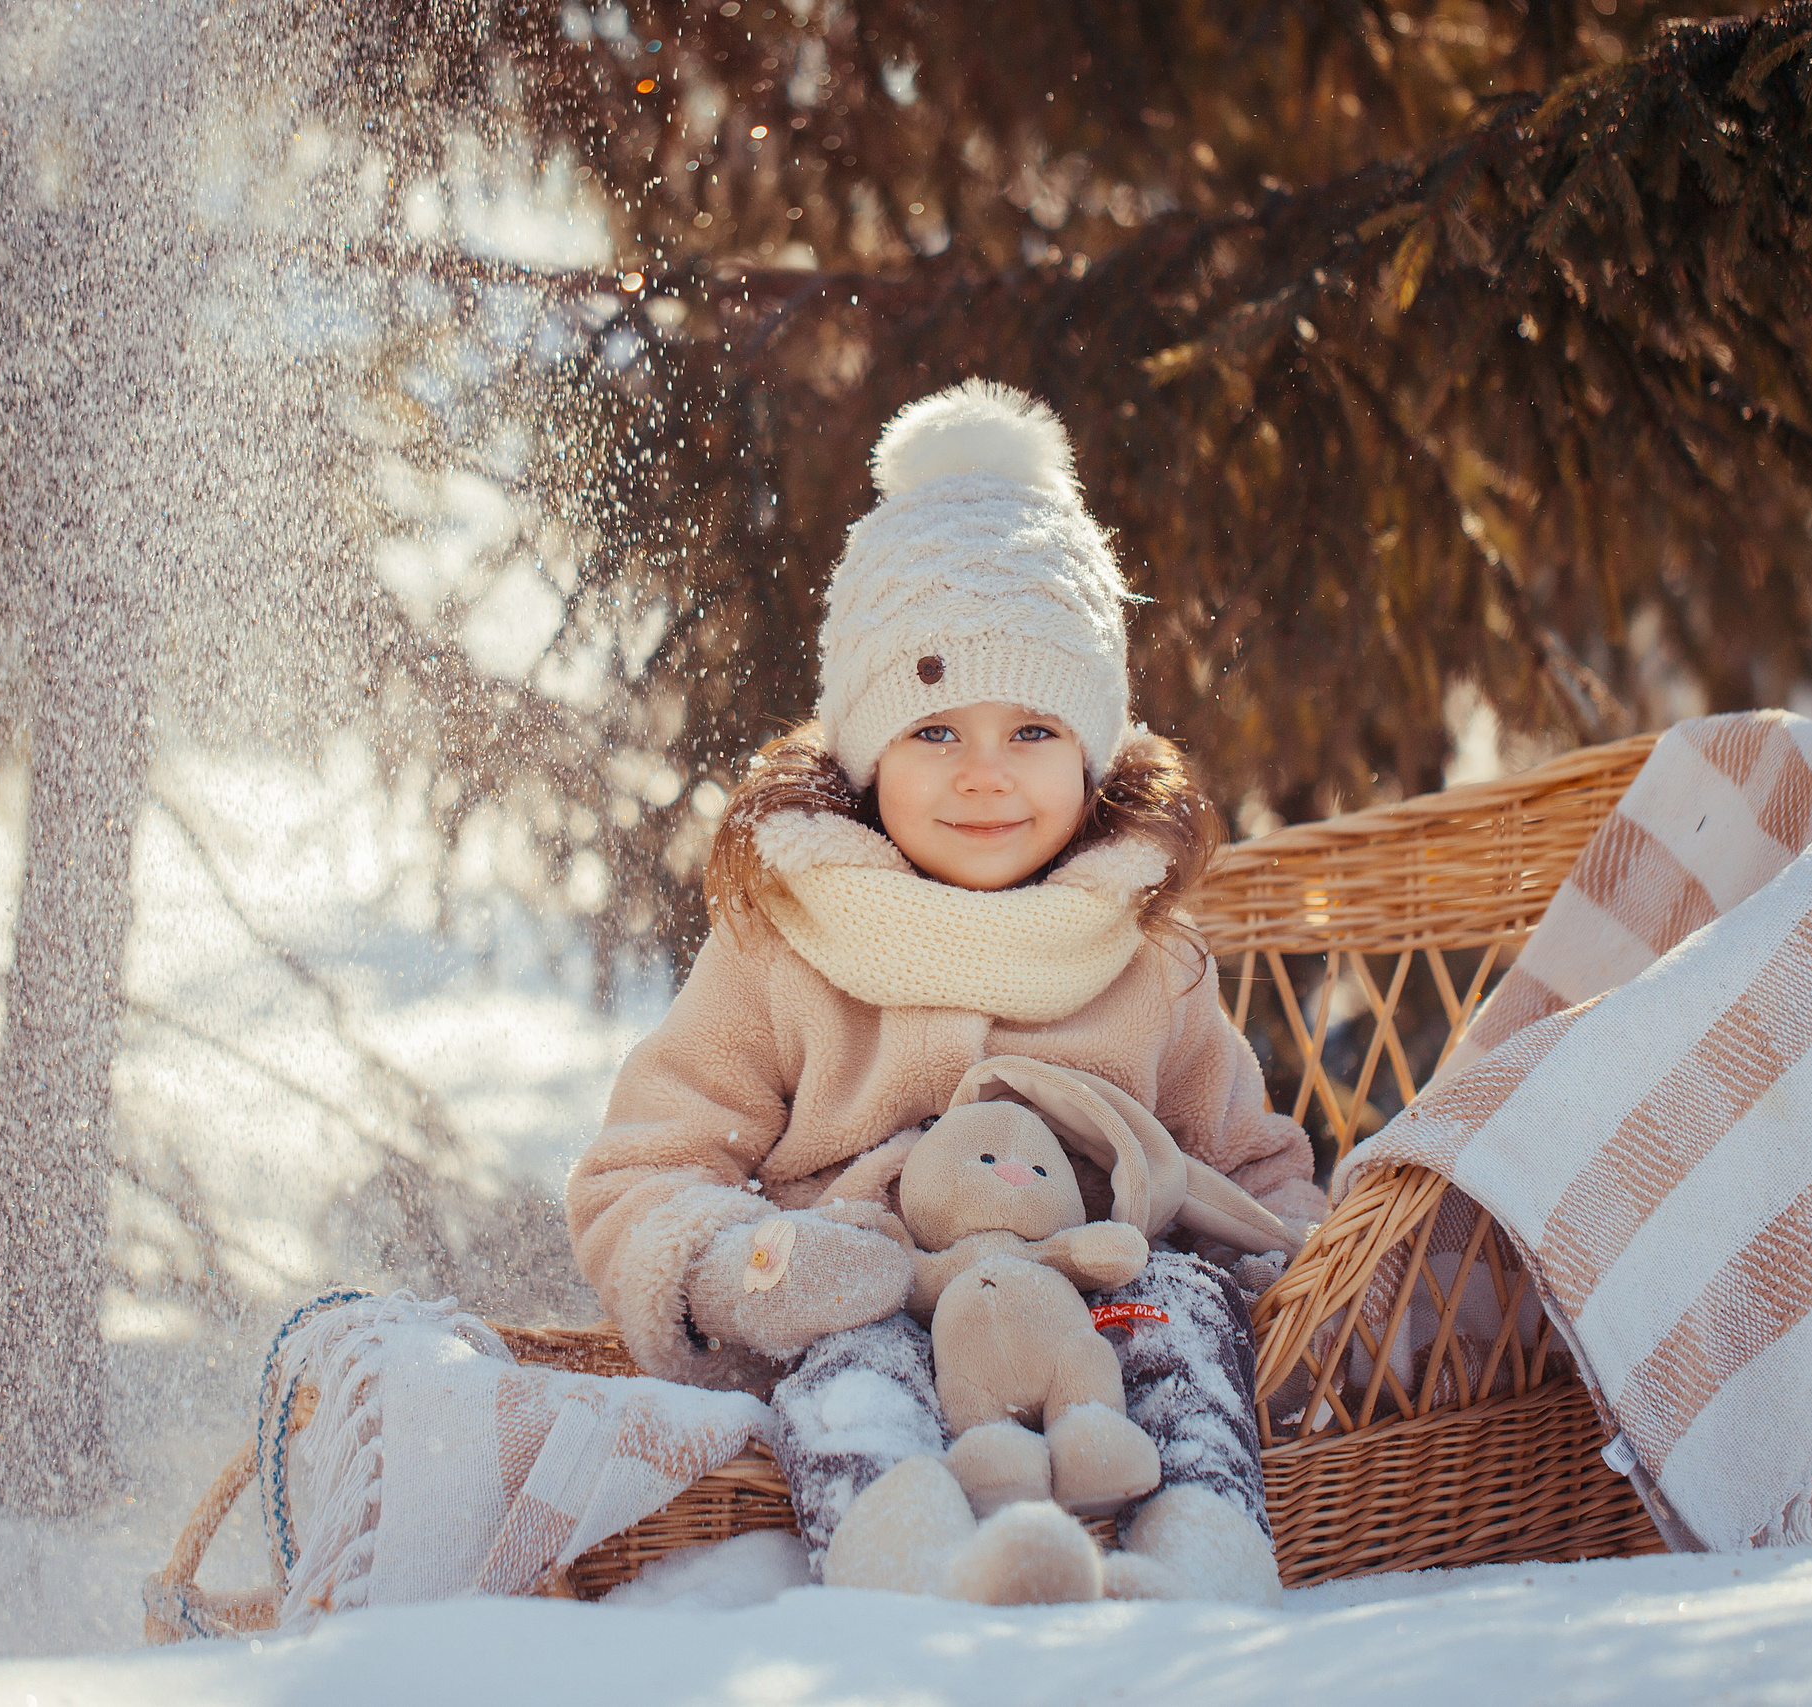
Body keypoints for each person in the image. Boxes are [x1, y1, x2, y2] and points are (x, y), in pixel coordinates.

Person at [565, 380, 1321, 1604]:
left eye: (1033, 732)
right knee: (850, 1361)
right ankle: (915, 1570)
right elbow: (642, 1171)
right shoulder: (787, 940)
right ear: (867, 757)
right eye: (932, 732)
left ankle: (1194, 1560)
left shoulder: (1145, 953)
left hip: (1097, 1316)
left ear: (1092, 756)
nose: (983, 776)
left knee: (1179, 1312)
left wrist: (1306, 1285)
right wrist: (754, 1266)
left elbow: (1248, 1167)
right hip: (875, 1295)